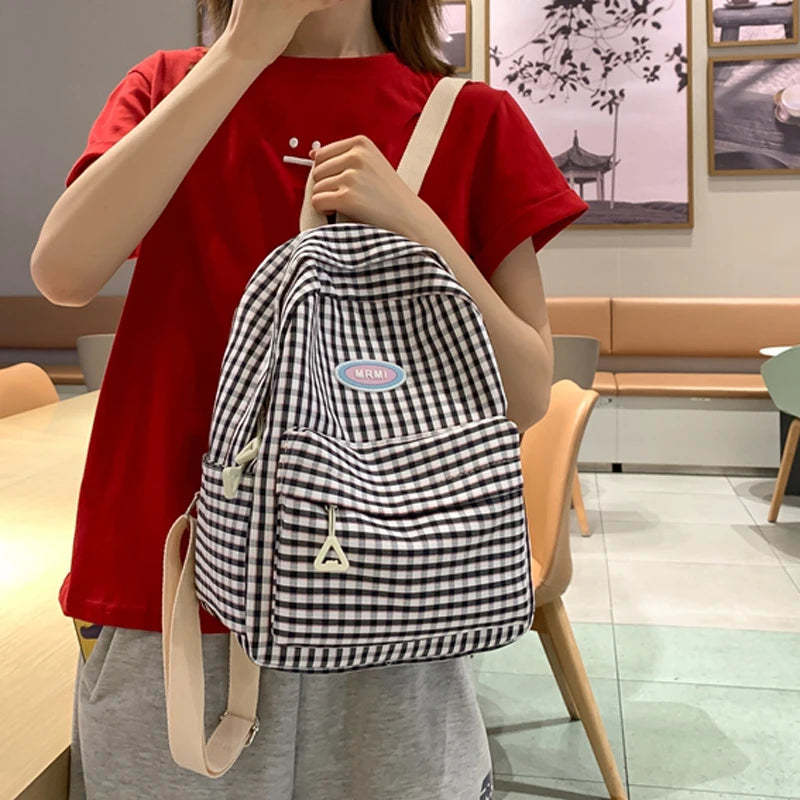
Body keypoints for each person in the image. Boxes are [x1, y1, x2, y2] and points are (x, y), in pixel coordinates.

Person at [30, 0, 588, 797]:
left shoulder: (471, 120)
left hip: (392, 594)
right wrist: (241, 52)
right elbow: (63, 273)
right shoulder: (168, 87)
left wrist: (418, 225)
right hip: (174, 589)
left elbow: (526, 392)